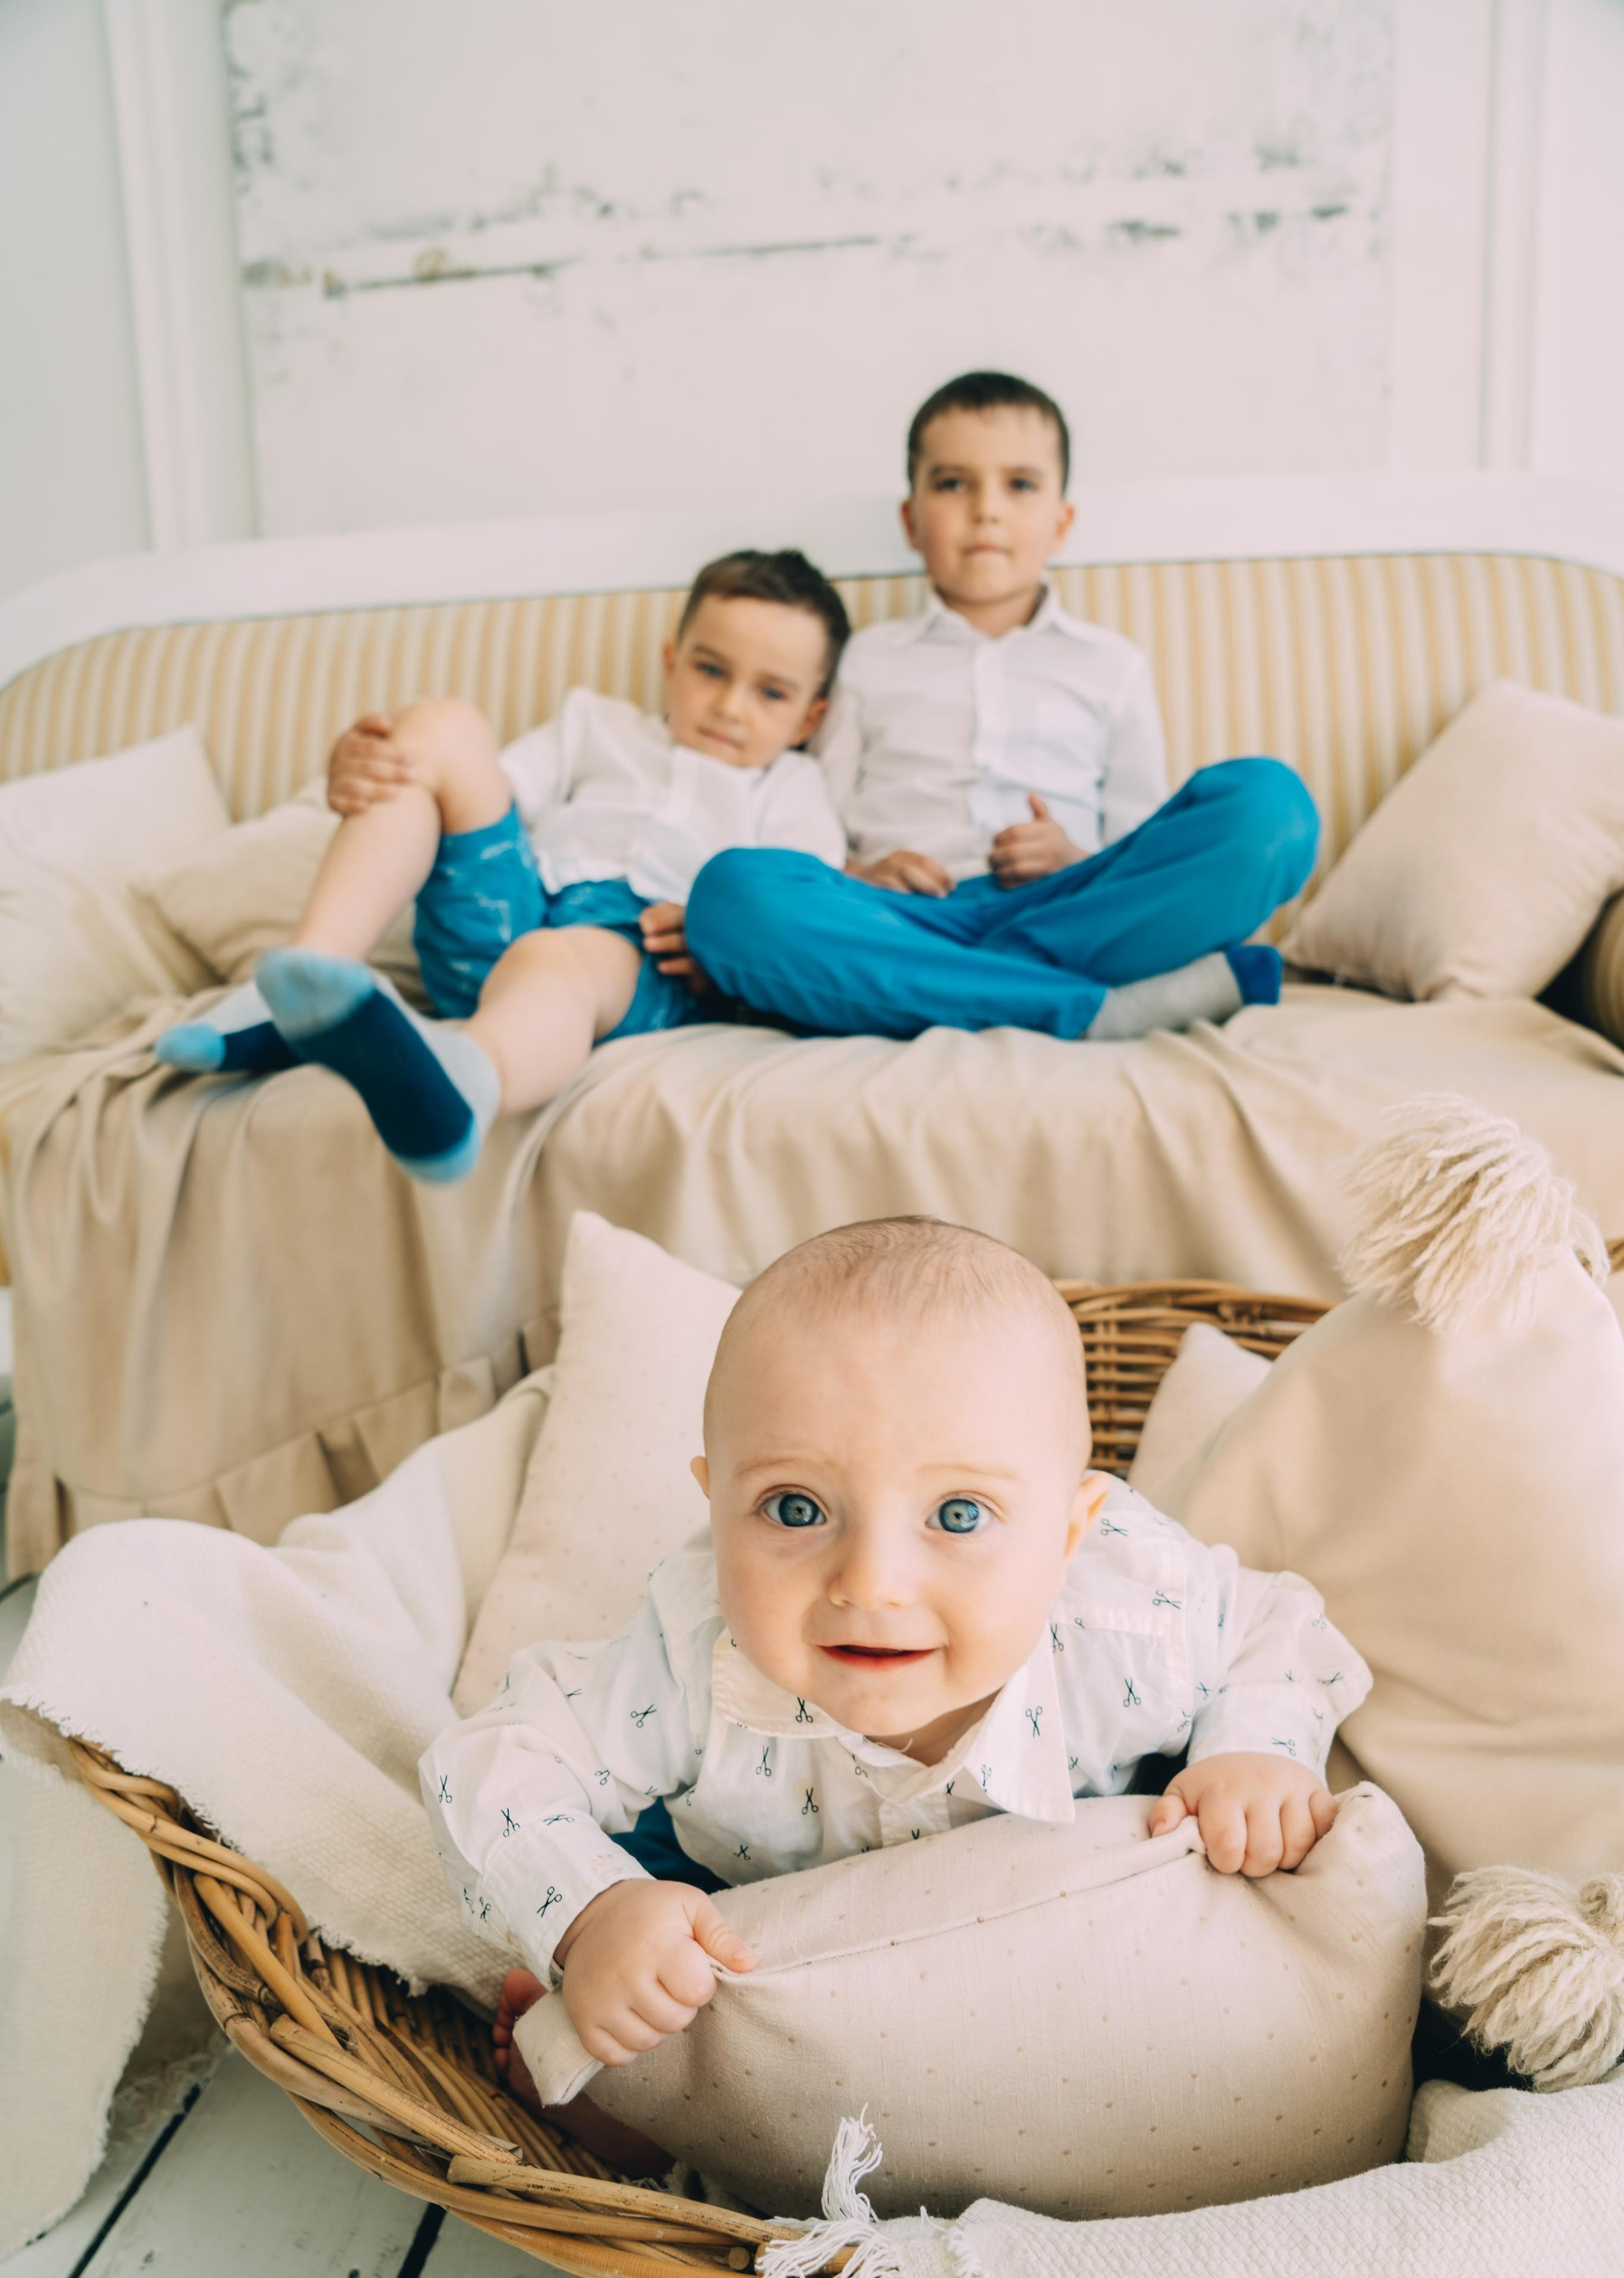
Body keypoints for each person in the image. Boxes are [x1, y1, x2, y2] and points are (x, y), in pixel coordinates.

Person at [421, 1217, 1368, 2114]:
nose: (871, 1585)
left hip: (1058, 1930)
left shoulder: (1127, 1619)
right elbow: (491, 1762)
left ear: (1068, 1534)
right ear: (715, 1510)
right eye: (795, 1509)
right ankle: (655, 2106)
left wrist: (1256, 1753)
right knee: (663, 1957)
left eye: (959, 1516)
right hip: (759, 1916)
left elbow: (1271, 1627)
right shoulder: (690, 1649)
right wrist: (592, 1916)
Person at [155, 550, 851, 1182]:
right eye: (710, 670)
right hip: (508, 908)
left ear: (807, 719)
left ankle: (461, 1086)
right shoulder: (595, 725)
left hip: (641, 953)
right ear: (671, 663)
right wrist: (382, 765)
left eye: (770, 693)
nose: (729, 706)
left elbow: (797, 916)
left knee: (560, 958)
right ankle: (305, 978)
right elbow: (485, 791)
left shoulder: (792, 789)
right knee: (442, 727)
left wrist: (719, 953)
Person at [682, 371, 1320, 1043]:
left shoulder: (1111, 666)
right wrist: (861, 875)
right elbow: (818, 818)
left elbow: (1145, 846)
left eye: (1019, 485)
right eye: (953, 483)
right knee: (729, 893)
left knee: (1269, 806)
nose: (985, 509)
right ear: (910, 520)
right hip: (901, 923)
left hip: (1074, 913)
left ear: (1061, 522)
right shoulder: (866, 660)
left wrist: (1074, 858)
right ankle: (1089, 1008)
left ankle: (961, 991)